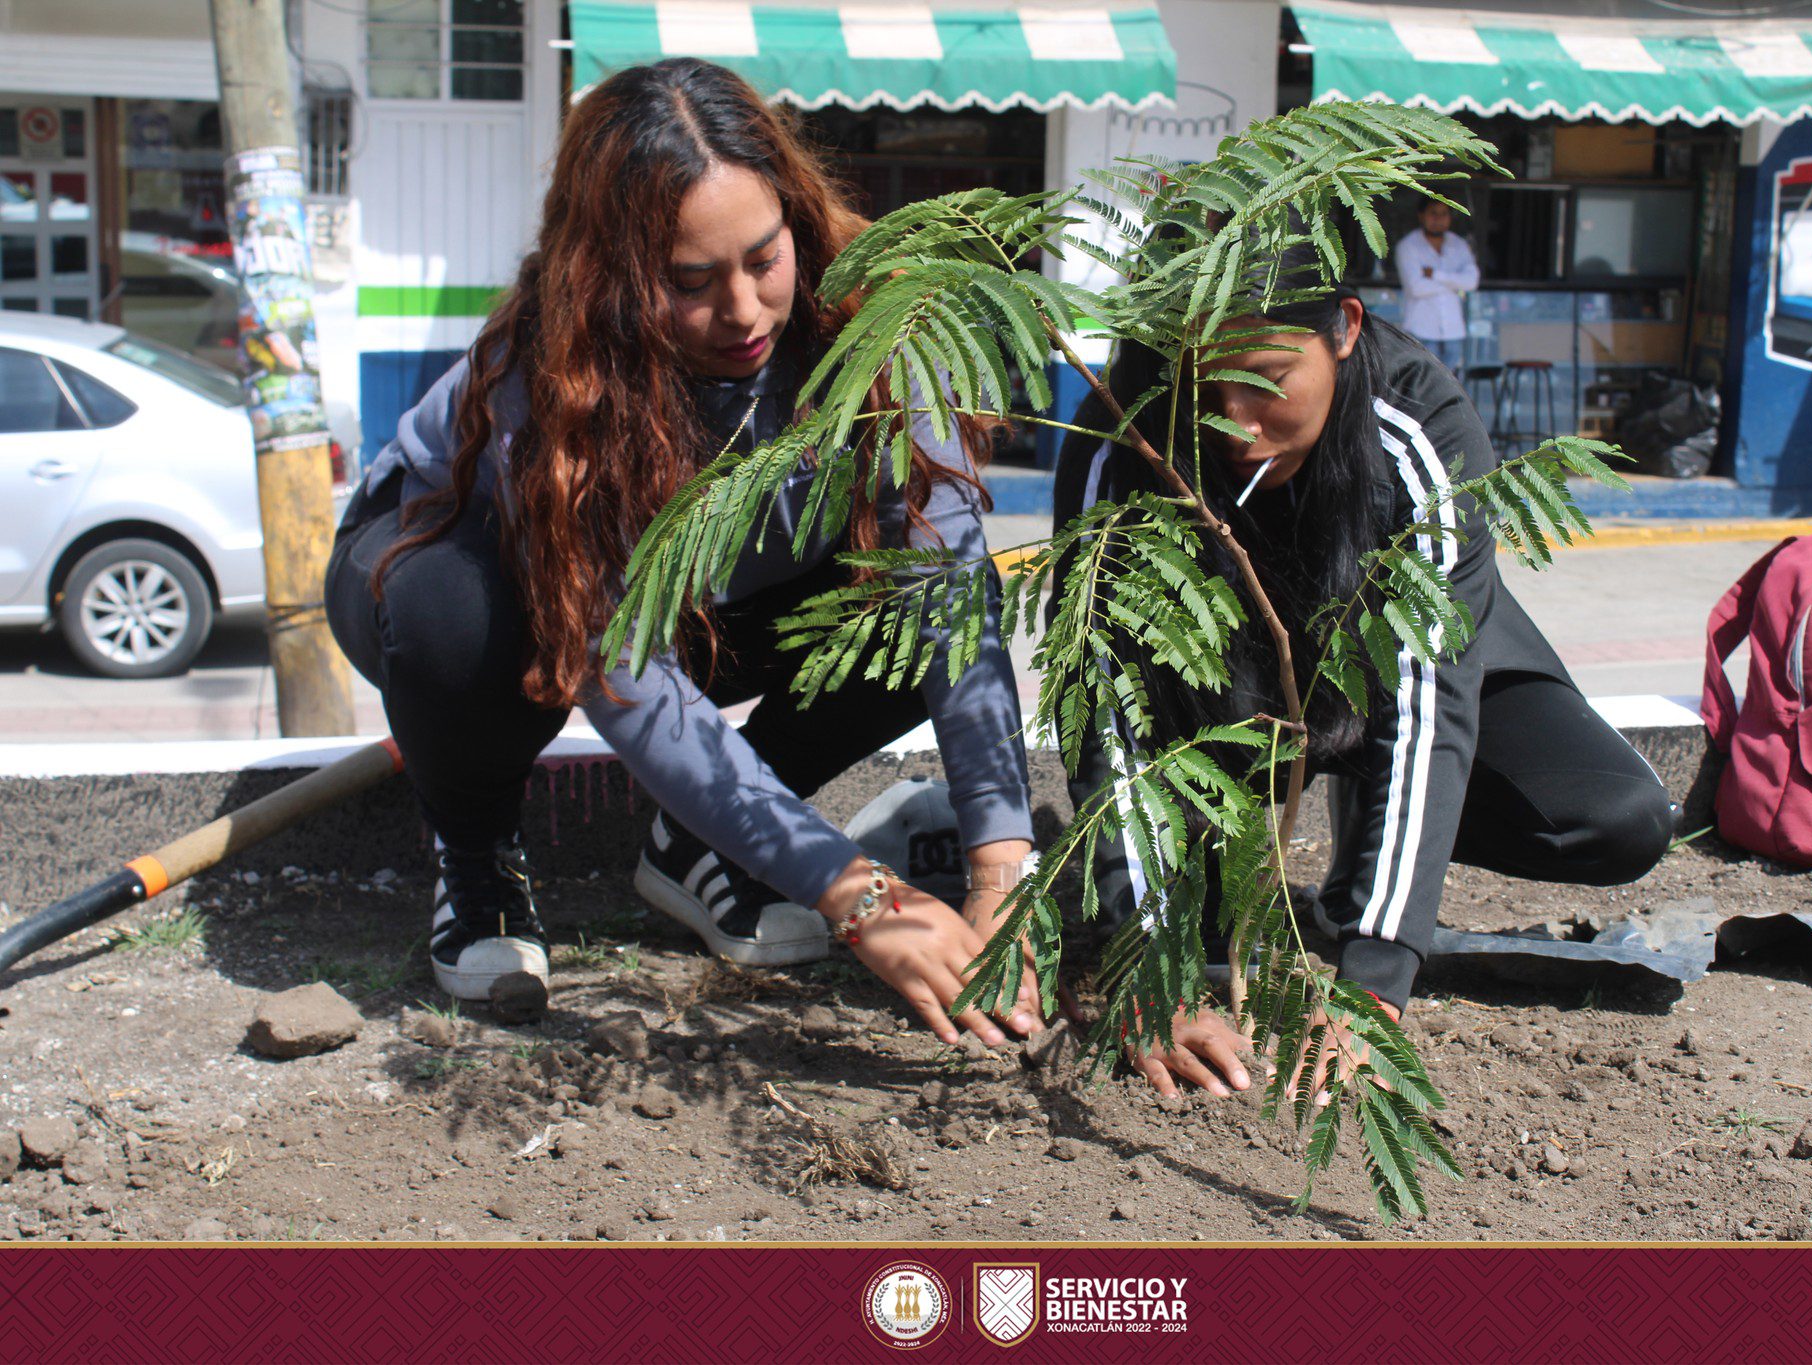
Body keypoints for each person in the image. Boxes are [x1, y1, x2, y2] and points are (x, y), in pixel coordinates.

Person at [325, 58, 1041, 1048]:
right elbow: (620, 673)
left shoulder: (879, 319)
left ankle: (695, 845)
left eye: (762, 259)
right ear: (611, 276)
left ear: (796, 216)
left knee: (901, 611)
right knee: (458, 615)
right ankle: (478, 855)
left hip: (710, 599)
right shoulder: (551, 384)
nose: (743, 312)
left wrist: (1001, 868)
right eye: (690, 283)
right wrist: (857, 892)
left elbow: (948, 590)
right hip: (463, 577)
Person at [1054, 232, 1672, 1099]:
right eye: (1206, 383)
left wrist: (1374, 971)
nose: (1236, 420)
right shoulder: (1127, 432)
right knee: (1199, 912)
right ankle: (1194, 869)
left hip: (1404, 674)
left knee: (1618, 819)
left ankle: (1365, 839)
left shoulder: (1416, 418)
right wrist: (1152, 974)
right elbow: (1105, 709)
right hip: (1223, 701)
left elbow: (1430, 700)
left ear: (1346, 328)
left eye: (1269, 377)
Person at [1393, 200, 1479, 375]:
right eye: (1433, 213)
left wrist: (1436, 275)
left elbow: (1471, 282)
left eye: (1444, 214)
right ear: (1421, 215)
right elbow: (1416, 288)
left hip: (1453, 330)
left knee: (1452, 387)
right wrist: (1454, 284)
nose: (1438, 219)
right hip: (1421, 329)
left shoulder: (1459, 245)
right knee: (1423, 384)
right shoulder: (1408, 246)